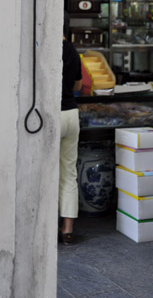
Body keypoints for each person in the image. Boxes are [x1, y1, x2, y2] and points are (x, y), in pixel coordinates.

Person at [59, 12, 82, 245]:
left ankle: (46, 224)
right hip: (71, 114)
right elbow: (78, 84)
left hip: (51, 115)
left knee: (46, 172)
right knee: (69, 173)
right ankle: (67, 229)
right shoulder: (74, 51)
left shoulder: (46, 48)